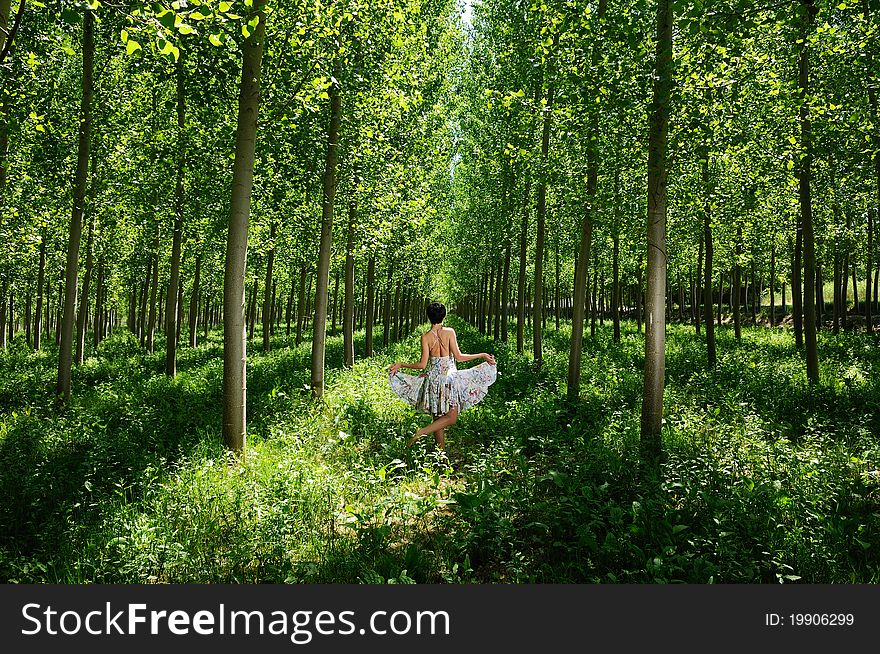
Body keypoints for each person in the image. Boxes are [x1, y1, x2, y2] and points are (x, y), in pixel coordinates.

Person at [388, 301, 497, 450]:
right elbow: (459, 357)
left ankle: (442, 457)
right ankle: (424, 435)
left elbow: (422, 364)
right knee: (451, 417)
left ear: (428, 317)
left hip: (433, 380)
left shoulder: (425, 337)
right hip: (449, 379)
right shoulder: (450, 332)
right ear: (444, 316)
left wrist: (402, 365)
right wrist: (482, 355)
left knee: (438, 418)